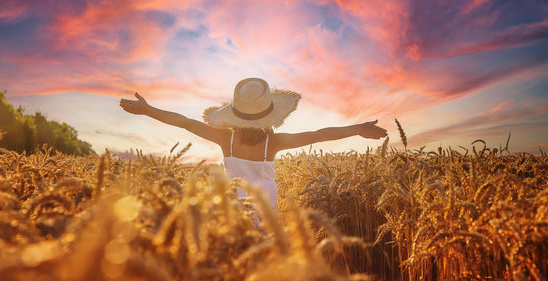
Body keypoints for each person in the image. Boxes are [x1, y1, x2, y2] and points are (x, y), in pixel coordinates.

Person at [119, 78, 387, 211]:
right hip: (267, 214)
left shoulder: (227, 140)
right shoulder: (274, 142)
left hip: (233, 211)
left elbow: (184, 122)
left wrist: (148, 110)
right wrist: (358, 129)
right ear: (269, 114)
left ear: (235, 115)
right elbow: (319, 134)